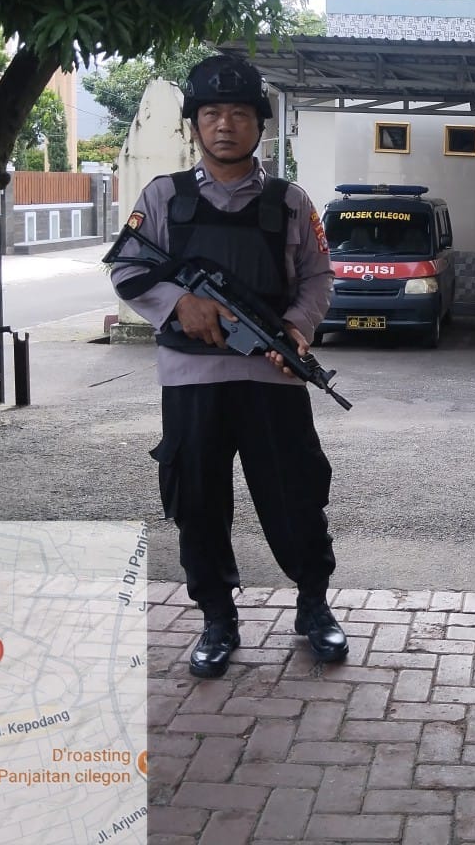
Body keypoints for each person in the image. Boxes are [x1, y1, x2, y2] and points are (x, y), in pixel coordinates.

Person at [109, 54, 347, 678]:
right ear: (194, 124)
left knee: (296, 495)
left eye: (239, 113)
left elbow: (318, 277)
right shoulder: (164, 196)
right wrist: (179, 303)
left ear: (259, 125)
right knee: (197, 500)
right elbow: (127, 268)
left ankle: (314, 606)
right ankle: (217, 618)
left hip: (271, 377)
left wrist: (295, 328)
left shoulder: (290, 202)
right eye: (211, 113)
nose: (224, 125)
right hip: (192, 381)